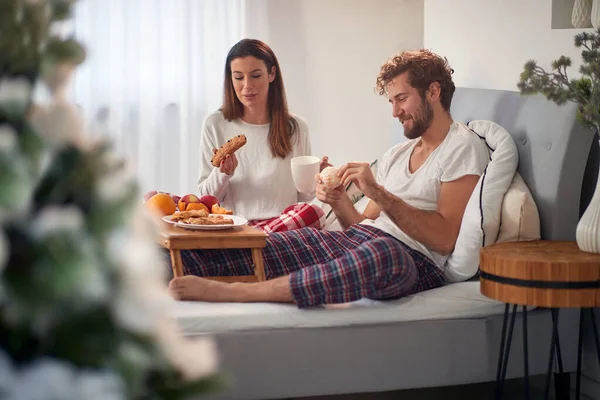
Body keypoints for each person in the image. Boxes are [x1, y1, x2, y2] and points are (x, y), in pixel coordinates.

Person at [169, 49, 490, 308]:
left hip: (413, 260)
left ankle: (236, 293)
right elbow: (361, 225)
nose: (394, 112)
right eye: (391, 101)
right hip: (365, 239)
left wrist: (377, 191)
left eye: (402, 99)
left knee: (382, 255)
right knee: (284, 241)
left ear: (433, 92)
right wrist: (337, 200)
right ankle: (168, 266)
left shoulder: (461, 146)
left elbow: (445, 238)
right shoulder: (397, 155)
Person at [197, 38, 329, 234]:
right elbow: (205, 199)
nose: (247, 86)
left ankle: (262, 240)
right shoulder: (215, 124)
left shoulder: (296, 127)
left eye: (256, 75)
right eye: (239, 77)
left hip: (283, 229)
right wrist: (223, 173)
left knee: (313, 212)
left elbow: (305, 196)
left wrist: (316, 177)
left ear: (272, 74)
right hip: (236, 227)